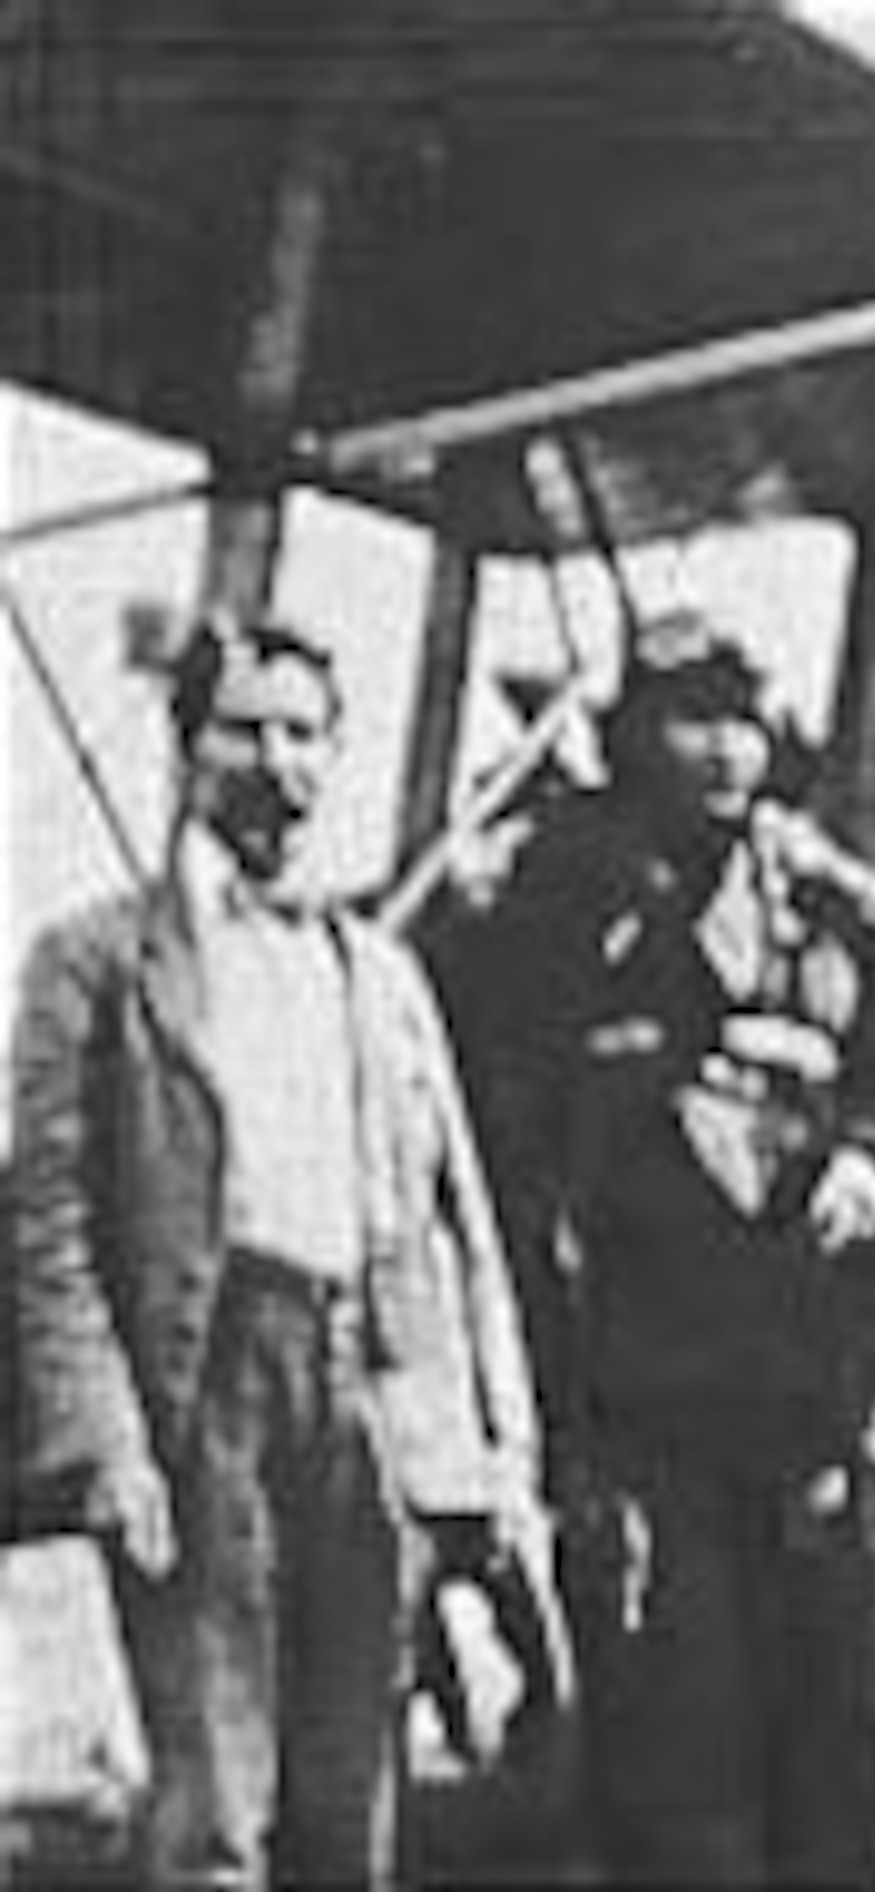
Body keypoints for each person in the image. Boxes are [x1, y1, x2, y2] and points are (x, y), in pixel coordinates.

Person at [9, 611, 543, 1889]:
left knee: (354, 1791)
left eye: (306, 733)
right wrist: (108, 1443)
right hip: (207, 1397)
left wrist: (490, 1442)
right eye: (246, 728)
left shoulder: (380, 972)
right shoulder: (94, 965)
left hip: (369, 1387)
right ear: (191, 745)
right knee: (215, 1800)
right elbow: (50, 1232)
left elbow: (456, 1222)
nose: (280, 762)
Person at [466, 604, 875, 1887]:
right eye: (688, 718)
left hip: (810, 1398)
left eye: (740, 716)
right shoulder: (552, 900)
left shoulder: (827, 899)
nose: (721, 750)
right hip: (643, 1407)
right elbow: (504, 1155)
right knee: (677, 1767)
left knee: (842, 1752)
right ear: (633, 736)